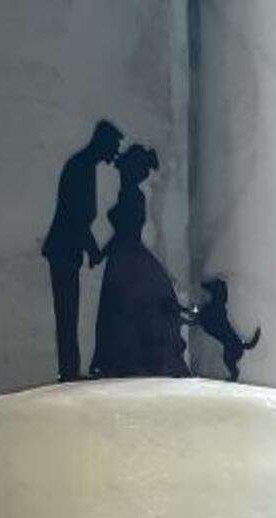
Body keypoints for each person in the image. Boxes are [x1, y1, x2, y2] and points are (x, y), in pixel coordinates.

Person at [90, 144, 189, 379]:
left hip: (126, 260)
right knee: (120, 313)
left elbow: (124, 232)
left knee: (125, 312)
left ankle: (127, 362)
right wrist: (102, 254)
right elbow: (122, 234)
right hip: (123, 258)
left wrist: (101, 253)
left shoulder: (133, 196)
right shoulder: (129, 195)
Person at [41, 120, 122, 382]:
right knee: (67, 311)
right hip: (64, 250)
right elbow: (78, 216)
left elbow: (80, 217)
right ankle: (69, 371)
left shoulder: (83, 165)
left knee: (69, 311)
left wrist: (92, 250)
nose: (115, 153)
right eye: (113, 147)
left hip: (66, 250)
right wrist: (94, 250)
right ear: (103, 142)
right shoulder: (82, 167)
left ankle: (70, 369)